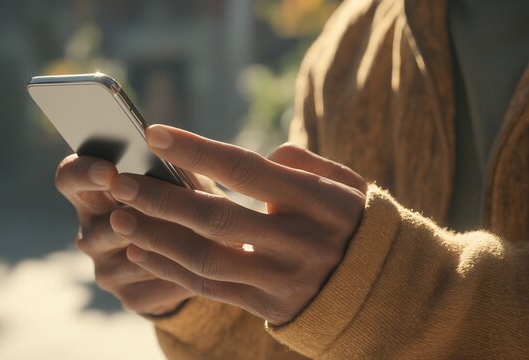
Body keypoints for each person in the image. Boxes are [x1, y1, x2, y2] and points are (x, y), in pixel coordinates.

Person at [54, 0, 528, 358]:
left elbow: (355, 298)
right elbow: (306, 341)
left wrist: (371, 290)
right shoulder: (348, 51)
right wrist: (202, 286)